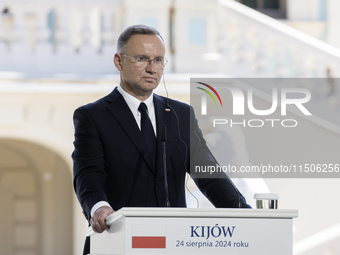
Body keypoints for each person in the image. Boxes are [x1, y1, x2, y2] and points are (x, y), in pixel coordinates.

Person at [72, 24, 250, 255]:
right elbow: (87, 174)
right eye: (142, 58)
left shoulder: (180, 115)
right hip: (116, 242)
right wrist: (99, 207)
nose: (152, 68)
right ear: (119, 61)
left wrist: (247, 214)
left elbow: (210, 176)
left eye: (158, 60)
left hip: (172, 243)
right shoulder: (92, 116)